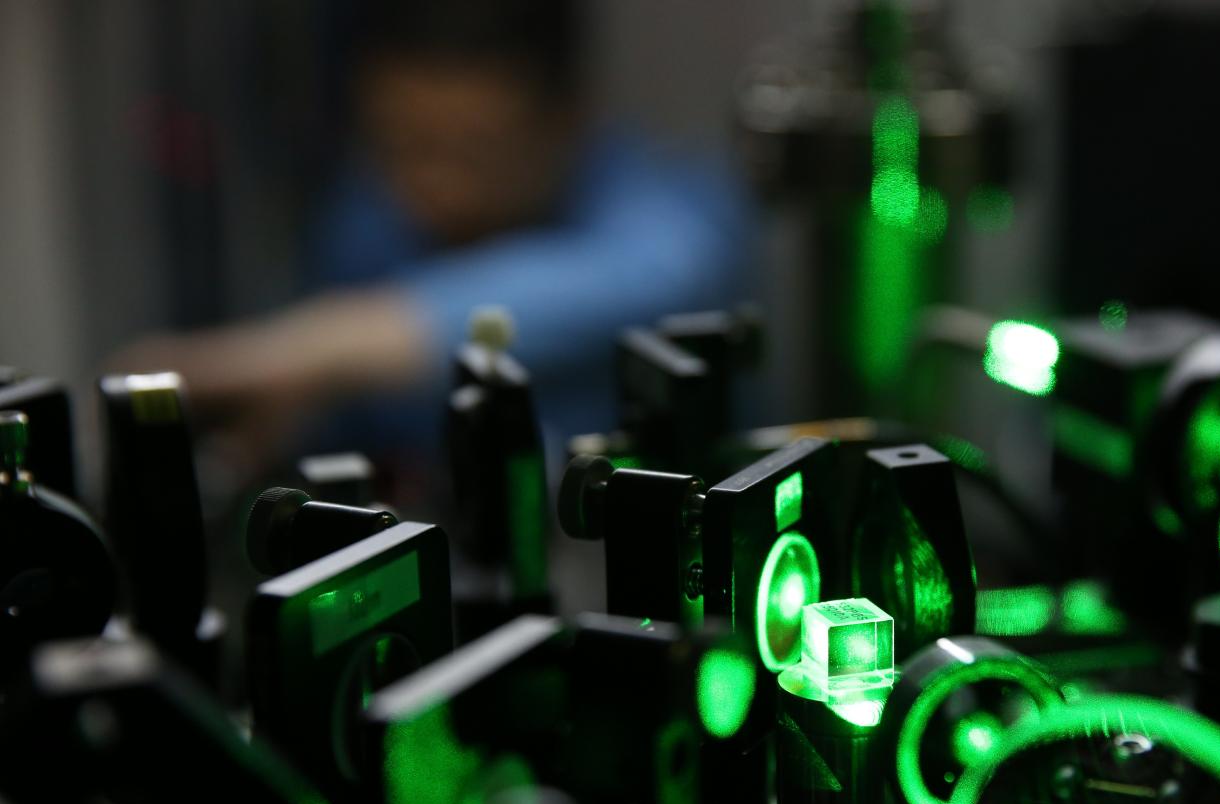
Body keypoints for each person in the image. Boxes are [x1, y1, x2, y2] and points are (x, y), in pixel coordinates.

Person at [113, 0, 750, 473]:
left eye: (472, 155)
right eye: (400, 148)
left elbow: (655, 275)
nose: (430, 188)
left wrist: (319, 345)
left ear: (567, 120)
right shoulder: (366, 226)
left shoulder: (672, 212)